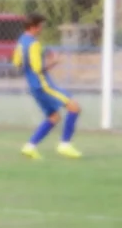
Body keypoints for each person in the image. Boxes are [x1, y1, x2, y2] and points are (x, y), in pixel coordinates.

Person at [12, 13, 82, 160]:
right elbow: (38, 68)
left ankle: (30, 147)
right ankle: (65, 144)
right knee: (74, 107)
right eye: (40, 26)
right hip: (44, 85)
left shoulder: (21, 41)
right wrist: (55, 61)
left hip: (34, 87)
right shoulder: (34, 44)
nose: (42, 29)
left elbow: (17, 64)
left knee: (54, 117)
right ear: (33, 27)